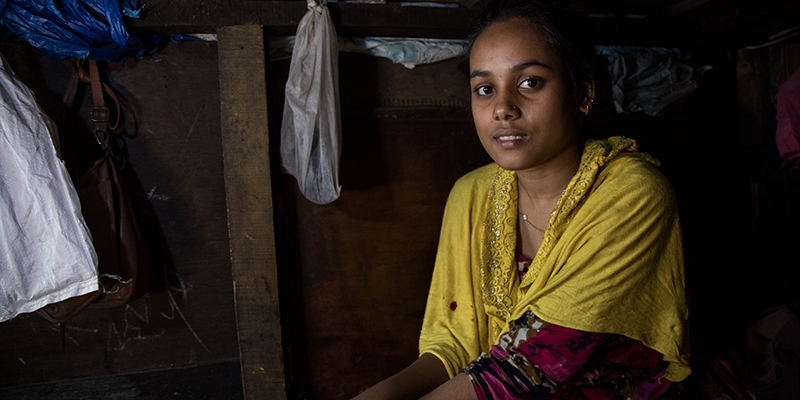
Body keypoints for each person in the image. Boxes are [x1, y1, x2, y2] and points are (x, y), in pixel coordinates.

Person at [353, 0, 690, 398]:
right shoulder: (471, 195)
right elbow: (455, 343)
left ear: (582, 93)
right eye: (484, 89)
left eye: (530, 82)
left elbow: (532, 365)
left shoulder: (633, 192)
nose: (502, 108)